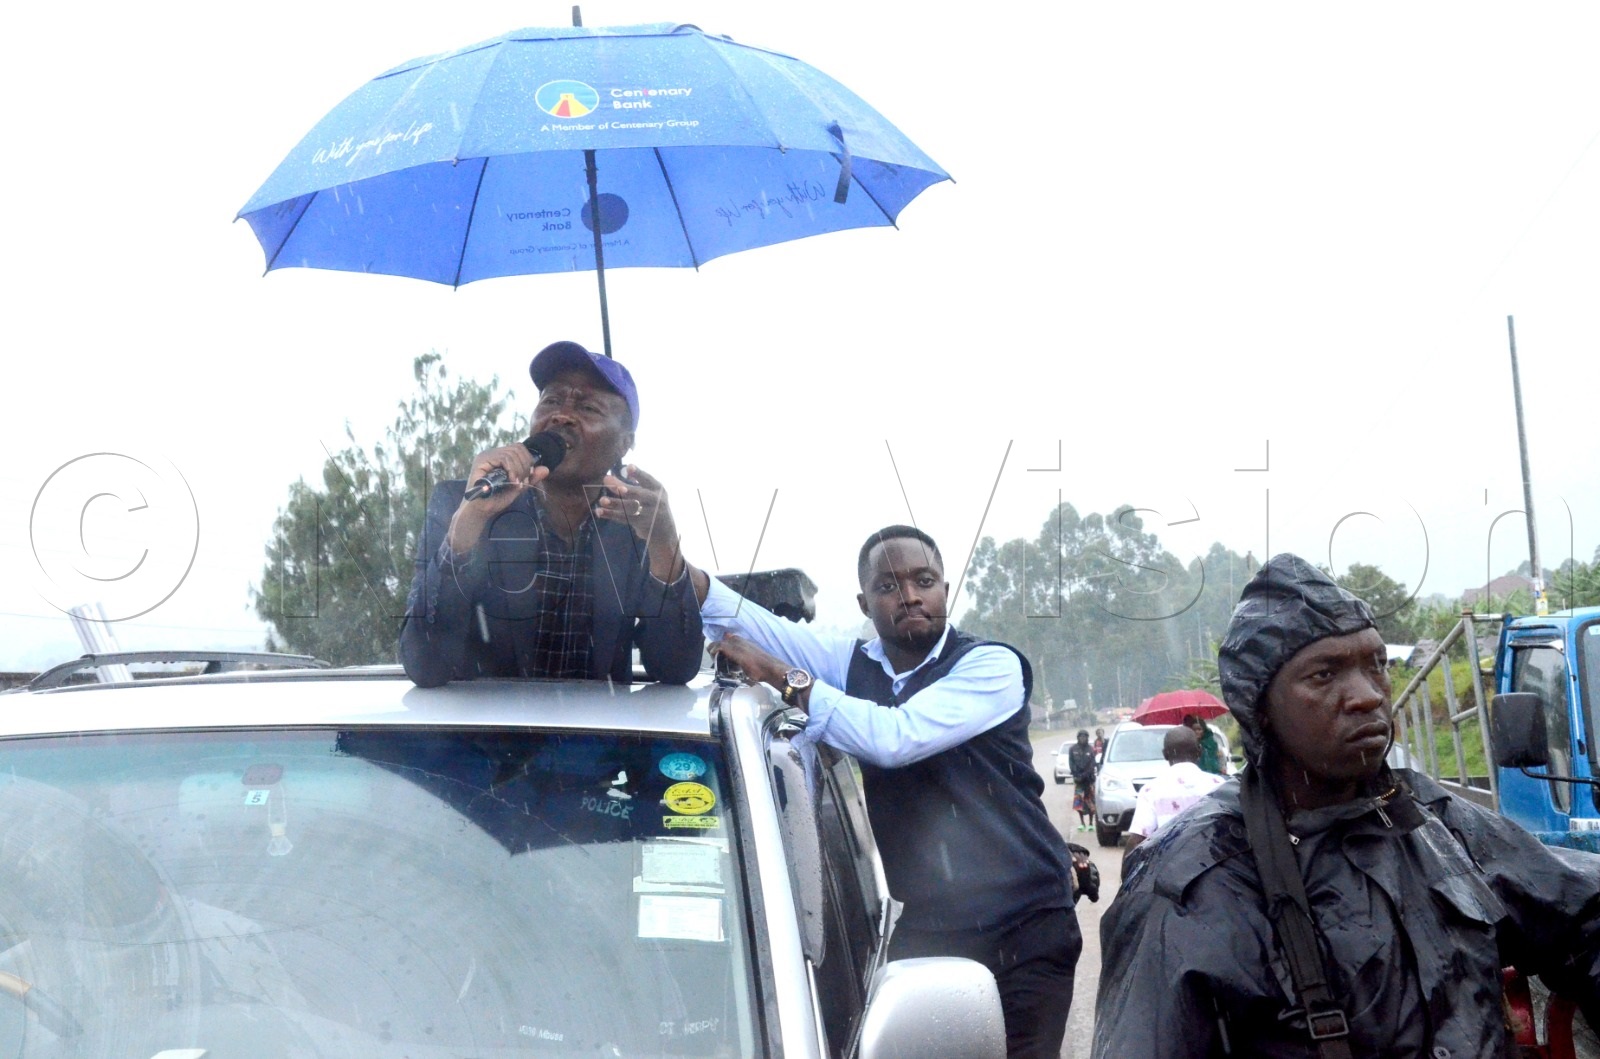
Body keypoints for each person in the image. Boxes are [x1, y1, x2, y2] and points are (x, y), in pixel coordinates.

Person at [1093, 553, 1600, 1057]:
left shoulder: (1433, 820)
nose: (1367, 696)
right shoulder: (1192, 883)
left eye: (1376, 665)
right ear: (1260, 708)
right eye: (1323, 675)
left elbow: (1583, 915)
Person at [693, 525, 1079, 1059]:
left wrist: (787, 680)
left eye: (925, 581)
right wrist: (671, 561)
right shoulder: (852, 664)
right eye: (889, 586)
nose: (911, 596)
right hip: (930, 927)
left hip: (1026, 927)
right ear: (865, 602)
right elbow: (744, 618)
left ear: (946, 589)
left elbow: (894, 737)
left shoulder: (992, 666)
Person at [399, 341, 703, 687]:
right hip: (484, 738)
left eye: (588, 407)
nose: (561, 415)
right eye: (552, 400)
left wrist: (665, 546)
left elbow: (675, 668)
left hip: (597, 737)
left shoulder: (637, 523)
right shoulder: (461, 502)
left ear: (624, 444)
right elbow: (424, 665)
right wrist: (467, 526)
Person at [1119, 725, 1224, 880]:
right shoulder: (1219, 784)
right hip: (1214, 871)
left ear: (1165, 754)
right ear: (1200, 751)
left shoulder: (1151, 790)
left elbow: (1137, 840)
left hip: (1169, 876)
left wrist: (1125, 880)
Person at [1067, 729, 1098, 832]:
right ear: (1078, 738)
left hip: (1089, 780)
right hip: (1078, 781)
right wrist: (1077, 775)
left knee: (1091, 803)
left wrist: (1085, 775)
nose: (1083, 739)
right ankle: (1082, 823)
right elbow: (1071, 763)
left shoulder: (1091, 749)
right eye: (1081, 737)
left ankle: (1090, 823)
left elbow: (1092, 764)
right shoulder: (1072, 749)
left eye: (1085, 737)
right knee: (1079, 802)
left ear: (1087, 738)